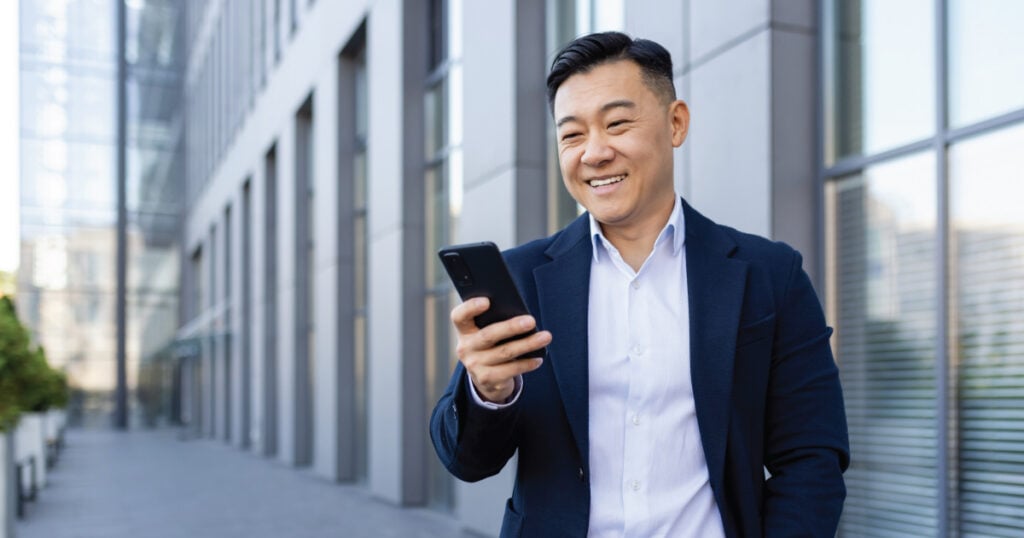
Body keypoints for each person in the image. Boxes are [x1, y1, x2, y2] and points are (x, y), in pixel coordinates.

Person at [430, 31, 849, 537]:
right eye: (572, 135)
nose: (595, 152)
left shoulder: (769, 275)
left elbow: (811, 458)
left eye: (617, 123)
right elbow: (467, 462)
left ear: (676, 123)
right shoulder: (523, 278)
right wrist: (487, 392)